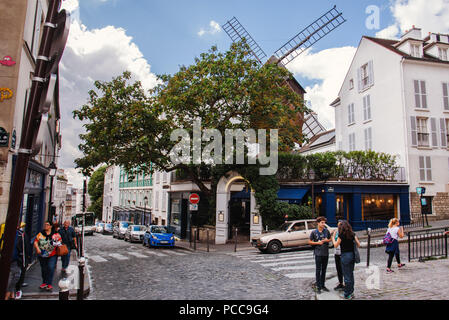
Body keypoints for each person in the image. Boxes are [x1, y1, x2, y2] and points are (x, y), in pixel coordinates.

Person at [334, 220, 360, 300]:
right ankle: (351, 291)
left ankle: (347, 294)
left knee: (346, 275)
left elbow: (335, 245)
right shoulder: (352, 234)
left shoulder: (341, 235)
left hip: (345, 255)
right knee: (351, 274)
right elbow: (358, 244)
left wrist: (332, 237)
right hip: (352, 255)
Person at [33, 221, 62, 291]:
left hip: (52, 254)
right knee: (44, 269)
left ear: (51, 226)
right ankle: (44, 282)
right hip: (42, 255)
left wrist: (57, 243)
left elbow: (60, 241)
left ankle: (49, 283)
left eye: (47, 225)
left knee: (50, 267)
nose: (45, 226)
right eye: (45, 224)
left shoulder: (55, 234)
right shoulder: (40, 234)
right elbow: (35, 241)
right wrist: (37, 248)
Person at [308, 216, 332, 294]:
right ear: (318, 223)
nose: (323, 224)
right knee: (318, 270)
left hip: (325, 253)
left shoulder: (326, 231)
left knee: (324, 269)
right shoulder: (314, 232)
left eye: (324, 222)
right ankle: (318, 286)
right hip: (318, 253)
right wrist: (317, 243)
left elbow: (330, 239)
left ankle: (323, 285)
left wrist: (326, 240)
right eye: (322, 222)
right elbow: (310, 242)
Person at [331, 220, 345, 291]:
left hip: (342, 253)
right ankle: (340, 283)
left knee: (343, 269)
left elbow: (335, 244)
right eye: (338, 225)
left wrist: (333, 238)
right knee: (338, 268)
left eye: (340, 225)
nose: (338, 226)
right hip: (336, 252)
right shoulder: (336, 231)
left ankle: (345, 283)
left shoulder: (343, 233)